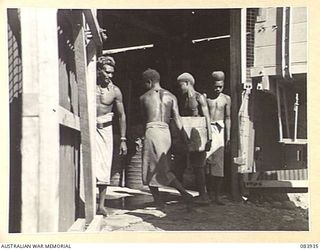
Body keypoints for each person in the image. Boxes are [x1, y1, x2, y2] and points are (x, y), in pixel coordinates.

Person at [139, 68, 193, 208]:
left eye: (145, 83)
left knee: (151, 168)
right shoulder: (172, 96)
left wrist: (141, 137)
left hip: (152, 130)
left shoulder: (144, 97)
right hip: (166, 133)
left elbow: (144, 120)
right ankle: (166, 198)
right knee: (163, 166)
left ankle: (182, 194)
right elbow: (177, 119)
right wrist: (184, 137)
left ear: (149, 82)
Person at [96, 55, 127, 216]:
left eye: (112, 73)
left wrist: (123, 139)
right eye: (107, 72)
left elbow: (122, 115)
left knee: (104, 166)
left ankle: (100, 205)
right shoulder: (89, 86)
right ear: (99, 70)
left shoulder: (115, 91)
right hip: (89, 128)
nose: (110, 76)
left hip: (105, 130)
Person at [175, 72, 212, 204]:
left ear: (187, 83)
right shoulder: (184, 99)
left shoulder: (199, 97)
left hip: (198, 135)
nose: (180, 88)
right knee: (180, 163)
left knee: (198, 167)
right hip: (187, 135)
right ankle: (184, 193)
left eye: (181, 85)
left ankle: (204, 196)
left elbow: (207, 117)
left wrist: (209, 137)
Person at [205, 71, 231, 205]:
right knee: (207, 163)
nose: (217, 89)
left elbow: (227, 118)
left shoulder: (226, 99)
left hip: (220, 131)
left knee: (219, 165)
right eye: (215, 86)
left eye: (220, 86)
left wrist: (228, 136)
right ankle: (208, 194)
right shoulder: (206, 97)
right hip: (208, 131)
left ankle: (217, 195)